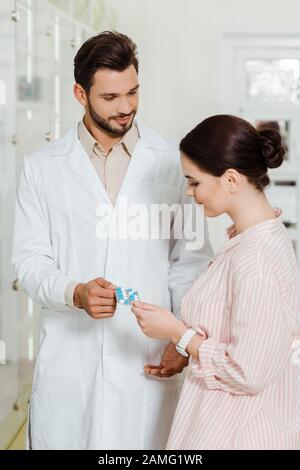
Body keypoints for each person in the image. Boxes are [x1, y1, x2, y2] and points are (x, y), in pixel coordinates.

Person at [12, 31, 213, 450]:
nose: (126, 108)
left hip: (147, 357)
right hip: (71, 360)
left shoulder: (171, 161)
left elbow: (190, 262)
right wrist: (75, 292)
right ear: (80, 94)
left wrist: (183, 337)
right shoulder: (42, 168)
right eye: (110, 97)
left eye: (133, 92)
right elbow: (30, 262)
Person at [132, 114, 300, 450]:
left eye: (194, 182)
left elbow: (248, 371)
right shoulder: (248, 241)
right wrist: (185, 348)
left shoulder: (256, 258)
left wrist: (177, 332)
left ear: (232, 180)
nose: (189, 192)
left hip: (245, 434)